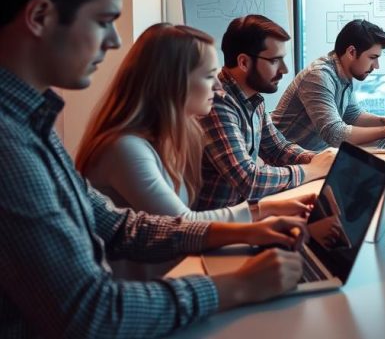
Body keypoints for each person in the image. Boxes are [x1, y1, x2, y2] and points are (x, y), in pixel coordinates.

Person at [0, 0, 308, 337]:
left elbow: (119, 226)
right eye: (104, 21)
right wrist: (235, 287)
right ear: (39, 17)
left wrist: (248, 225)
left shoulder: (32, 122)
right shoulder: (9, 143)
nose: (115, 40)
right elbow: (90, 313)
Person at [76, 24, 313, 232]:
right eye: (210, 76)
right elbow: (184, 225)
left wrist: (267, 210)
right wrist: (263, 211)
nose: (219, 88)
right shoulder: (124, 148)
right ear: (174, 82)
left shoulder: (165, 138)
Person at [195, 15, 336, 210]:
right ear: (243, 62)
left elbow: (277, 148)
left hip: (245, 214)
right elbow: (248, 181)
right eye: (275, 60)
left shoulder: (252, 98)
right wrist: (311, 170)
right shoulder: (216, 102)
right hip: (218, 229)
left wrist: (322, 160)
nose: (285, 70)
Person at [272, 19, 385, 150]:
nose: (376, 66)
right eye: (372, 57)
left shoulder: (343, 74)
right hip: (286, 163)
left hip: (314, 157)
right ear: (351, 52)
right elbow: (335, 134)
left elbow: (353, 115)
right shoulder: (318, 76)